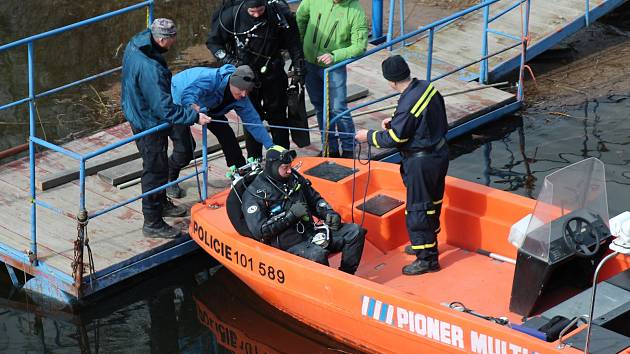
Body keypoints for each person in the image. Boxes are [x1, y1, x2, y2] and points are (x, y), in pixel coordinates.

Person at [355, 55, 449, 275]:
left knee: (417, 208)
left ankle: (426, 259)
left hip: (421, 161)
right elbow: (419, 120)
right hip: (439, 154)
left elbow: (395, 139)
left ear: (391, 81)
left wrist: (368, 136)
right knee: (433, 202)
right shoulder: (426, 88)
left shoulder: (407, 104)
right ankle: (427, 242)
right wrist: (394, 122)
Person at [121, 18, 212, 238]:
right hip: (147, 121)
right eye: (172, 39)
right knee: (154, 169)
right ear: (162, 39)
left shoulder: (137, 42)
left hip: (139, 109)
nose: (174, 42)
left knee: (160, 165)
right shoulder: (151, 68)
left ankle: (161, 202)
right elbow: (164, 109)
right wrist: (193, 116)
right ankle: (152, 221)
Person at [241, 146, 365, 274]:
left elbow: (315, 199)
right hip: (289, 244)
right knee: (317, 255)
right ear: (273, 166)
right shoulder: (255, 193)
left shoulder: (293, 177)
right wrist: (290, 216)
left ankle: (347, 275)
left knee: (355, 232)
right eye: (285, 168)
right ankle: (326, 287)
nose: (289, 170)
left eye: (290, 166)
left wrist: (329, 213)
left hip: (311, 232)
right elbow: (260, 231)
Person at [206, 0, 305, 160]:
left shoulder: (278, 14)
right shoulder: (232, 16)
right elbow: (213, 43)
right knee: (251, 118)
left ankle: (281, 159)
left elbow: (294, 43)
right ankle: (255, 160)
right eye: (253, 12)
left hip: (273, 72)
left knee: (278, 117)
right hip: (245, 76)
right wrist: (231, 61)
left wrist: (299, 67)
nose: (257, 15)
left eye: (260, 10)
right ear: (246, 7)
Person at [167, 64, 274, 198]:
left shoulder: (242, 97)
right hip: (178, 101)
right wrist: (191, 107)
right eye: (241, 90)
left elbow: (254, 122)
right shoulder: (211, 79)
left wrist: (270, 146)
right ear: (232, 83)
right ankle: (169, 178)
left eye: (248, 90)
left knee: (227, 136)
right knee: (185, 149)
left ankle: (240, 173)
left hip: (209, 106)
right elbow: (189, 93)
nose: (244, 94)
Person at [296, 0, 368, 158]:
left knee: (338, 108)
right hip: (310, 63)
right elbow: (300, 19)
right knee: (320, 106)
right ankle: (330, 148)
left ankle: (349, 150)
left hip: (333, 68)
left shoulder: (355, 12)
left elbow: (360, 46)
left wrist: (335, 56)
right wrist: (299, 46)